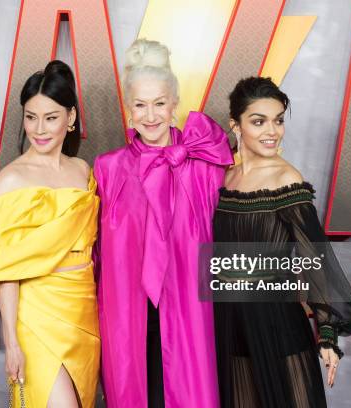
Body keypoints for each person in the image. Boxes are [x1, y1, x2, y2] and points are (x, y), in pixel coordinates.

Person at [94, 39, 234, 408]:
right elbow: (95, 251)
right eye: (140, 105)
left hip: (190, 315)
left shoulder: (204, 168)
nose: (150, 115)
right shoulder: (107, 169)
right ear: (128, 110)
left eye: (159, 103)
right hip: (130, 318)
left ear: (174, 105)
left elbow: (236, 232)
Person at [212, 76, 351, 407]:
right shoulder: (223, 178)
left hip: (276, 324)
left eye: (278, 120)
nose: (272, 131)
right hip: (229, 326)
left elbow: (315, 261)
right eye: (259, 121)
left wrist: (326, 335)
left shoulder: (287, 180)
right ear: (235, 125)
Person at [0, 61, 100, 408]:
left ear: (70, 118)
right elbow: (6, 270)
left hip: (82, 311)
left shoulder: (82, 171)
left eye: (51, 117)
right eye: (31, 117)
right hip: (38, 314)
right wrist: (11, 342)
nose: (39, 129)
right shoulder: (12, 180)